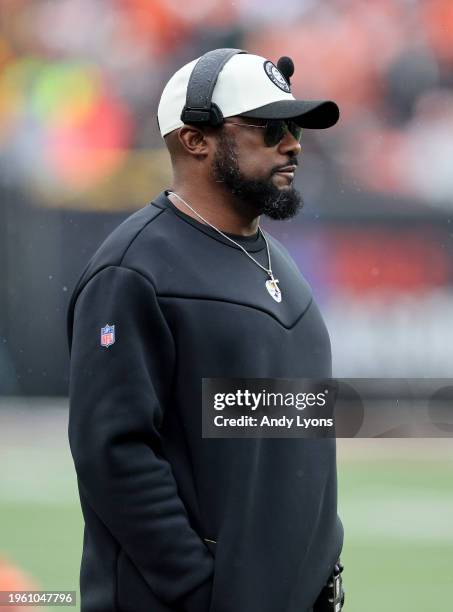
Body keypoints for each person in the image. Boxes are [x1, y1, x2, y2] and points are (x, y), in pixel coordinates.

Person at [67, 49, 344, 612]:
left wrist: (317, 568)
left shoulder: (279, 265)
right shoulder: (133, 269)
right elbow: (113, 453)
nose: (293, 143)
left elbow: (293, 440)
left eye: (294, 127)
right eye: (269, 128)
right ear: (196, 139)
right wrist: (199, 588)